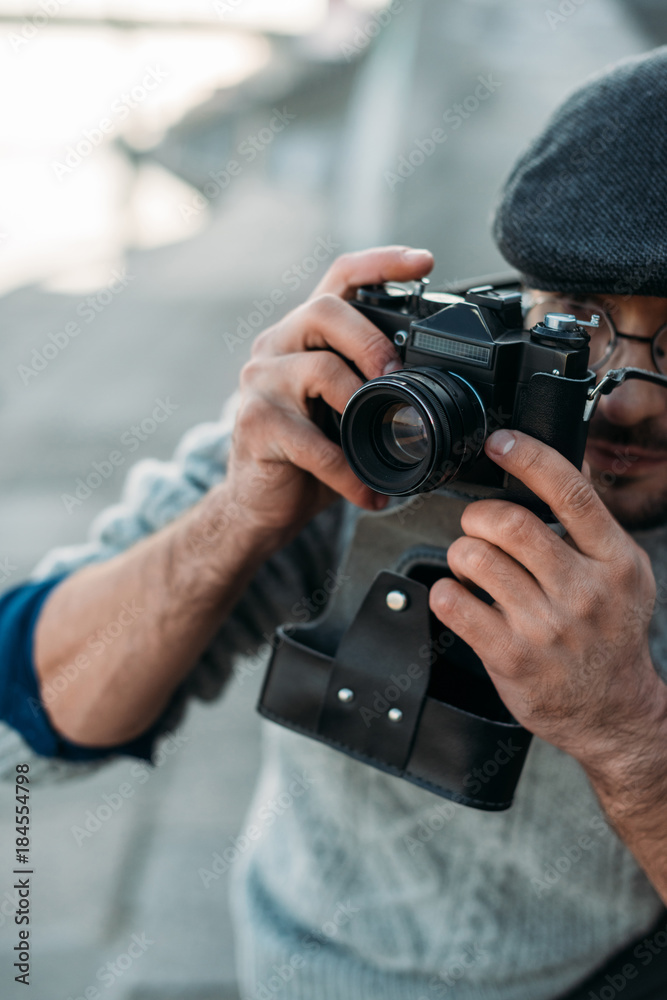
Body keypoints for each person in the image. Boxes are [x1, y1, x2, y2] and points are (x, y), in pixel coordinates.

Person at [3, 47, 667, 1000]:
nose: (624, 401)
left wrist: (628, 731)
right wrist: (236, 521)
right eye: (578, 321)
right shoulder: (386, 426)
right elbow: (21, 724)